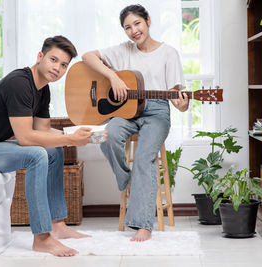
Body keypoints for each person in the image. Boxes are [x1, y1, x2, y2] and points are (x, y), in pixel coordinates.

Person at [0, 35, 104, 257]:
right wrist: (71, 139)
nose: (57, 68)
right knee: (37, 155)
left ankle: (58, 224)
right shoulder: (19, 82)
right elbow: (25, 138)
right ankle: (42, 238)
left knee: (54, 152)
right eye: (53, 60)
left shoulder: (43, 90)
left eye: (63, 65)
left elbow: (42, 131)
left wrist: (82, 134)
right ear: (40, 57)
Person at [82, 4, 189, 242]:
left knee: (143, 158)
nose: (133, 31)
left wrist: (183, 104)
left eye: (137, 24)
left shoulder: (168, 53)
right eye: (127, 27)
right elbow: (87, 56)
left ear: (148, 21)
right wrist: (112, 76)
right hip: (127, 111)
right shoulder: (123, 50)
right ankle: (127, 180)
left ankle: (143, 225)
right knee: (105, 136)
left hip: (157, 112)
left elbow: (175, 96)